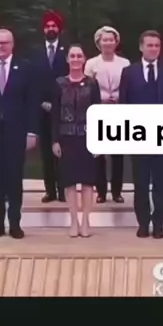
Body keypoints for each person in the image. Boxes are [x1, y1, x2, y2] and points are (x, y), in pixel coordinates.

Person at [0, 29, 38, 239]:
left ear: (12, 44)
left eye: (4, 43)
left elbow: (31, 102)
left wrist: (32, 131)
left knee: (14, 179)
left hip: (16, 132)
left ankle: (15, 224)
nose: (0, 47)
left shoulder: (25, 67)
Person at [119, 30, 163, 238]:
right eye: (150, 45)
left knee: (161, 184)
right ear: (141, 47)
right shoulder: (129, 72)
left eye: (157, 45)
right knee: (141, 184)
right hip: (139, 138)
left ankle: (159, 222)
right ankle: (143, 223)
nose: (154, 49)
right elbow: (124, 105)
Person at [51, 45, 101, 238]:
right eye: (72, 56)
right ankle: (73, 220)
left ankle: (86, 220)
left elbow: (98, 113)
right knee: (69, 181)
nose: (76, 59)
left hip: (87, 138)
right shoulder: (59, 84)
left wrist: (99, 139)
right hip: (66, 138)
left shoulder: (92, 84)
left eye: (79, 56)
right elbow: (54, 114)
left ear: (84, 59)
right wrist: (55, 140)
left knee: (88, 182)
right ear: (67, 59)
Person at [85, 25, 129, 204]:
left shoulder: (124, 63)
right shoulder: (91, 63)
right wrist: (102, 99)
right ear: (99, 42)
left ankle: (117, 191)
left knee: (118, 154)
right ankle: (101, 191)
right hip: (99, 110)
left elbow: (128, 86)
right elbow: (87, 88)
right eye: (105, 40)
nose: (108, 43)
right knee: (99, 155)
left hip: (118, 110)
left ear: (116, 42)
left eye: (111, 39)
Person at [28, 10, 68, 203]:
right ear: (43, 29)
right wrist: (41, 102)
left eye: (54, 26)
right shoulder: (35, 52)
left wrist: (61, 102)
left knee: (63, 150)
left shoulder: (67, 50)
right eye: (47, 26)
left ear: (59, 29)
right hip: (42, 108)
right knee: (46, 150)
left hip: (64, 107)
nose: (50, 29)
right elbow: (31, 80)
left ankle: (63, 190)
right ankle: (50, 190)